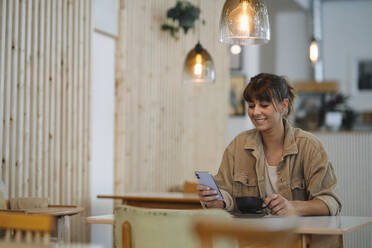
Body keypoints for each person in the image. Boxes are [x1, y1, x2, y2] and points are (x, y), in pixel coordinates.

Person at [197, 73, 341, 216]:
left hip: (298, 236)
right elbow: (226, 194)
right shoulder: (238, 145)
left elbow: (330, 202)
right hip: (252, 236)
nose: (256, 112)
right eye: (251, 106)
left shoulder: (309, 146)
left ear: (284, 105)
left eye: (264, 105)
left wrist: (292, 207)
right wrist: (217, 200)